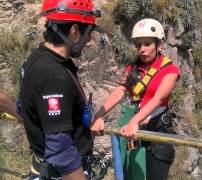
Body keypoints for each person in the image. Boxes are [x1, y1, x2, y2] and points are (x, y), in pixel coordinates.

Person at [19, 0, 104, 179]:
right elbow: (60, 149)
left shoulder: (37, 57)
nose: (88, 40)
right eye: (88, 32)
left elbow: (23, 107)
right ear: (74, 30)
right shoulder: (53, 76)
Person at [91, 18, 180, 180]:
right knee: (130, 173)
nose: (142, 49)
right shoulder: (133, 69)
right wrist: (99, 115)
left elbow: (159, 98)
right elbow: (120, 90)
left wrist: (135, 121)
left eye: (147, 44)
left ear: (159, 45)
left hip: (158, 129)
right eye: (139, 45)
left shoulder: (171, 70)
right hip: (136, 130)